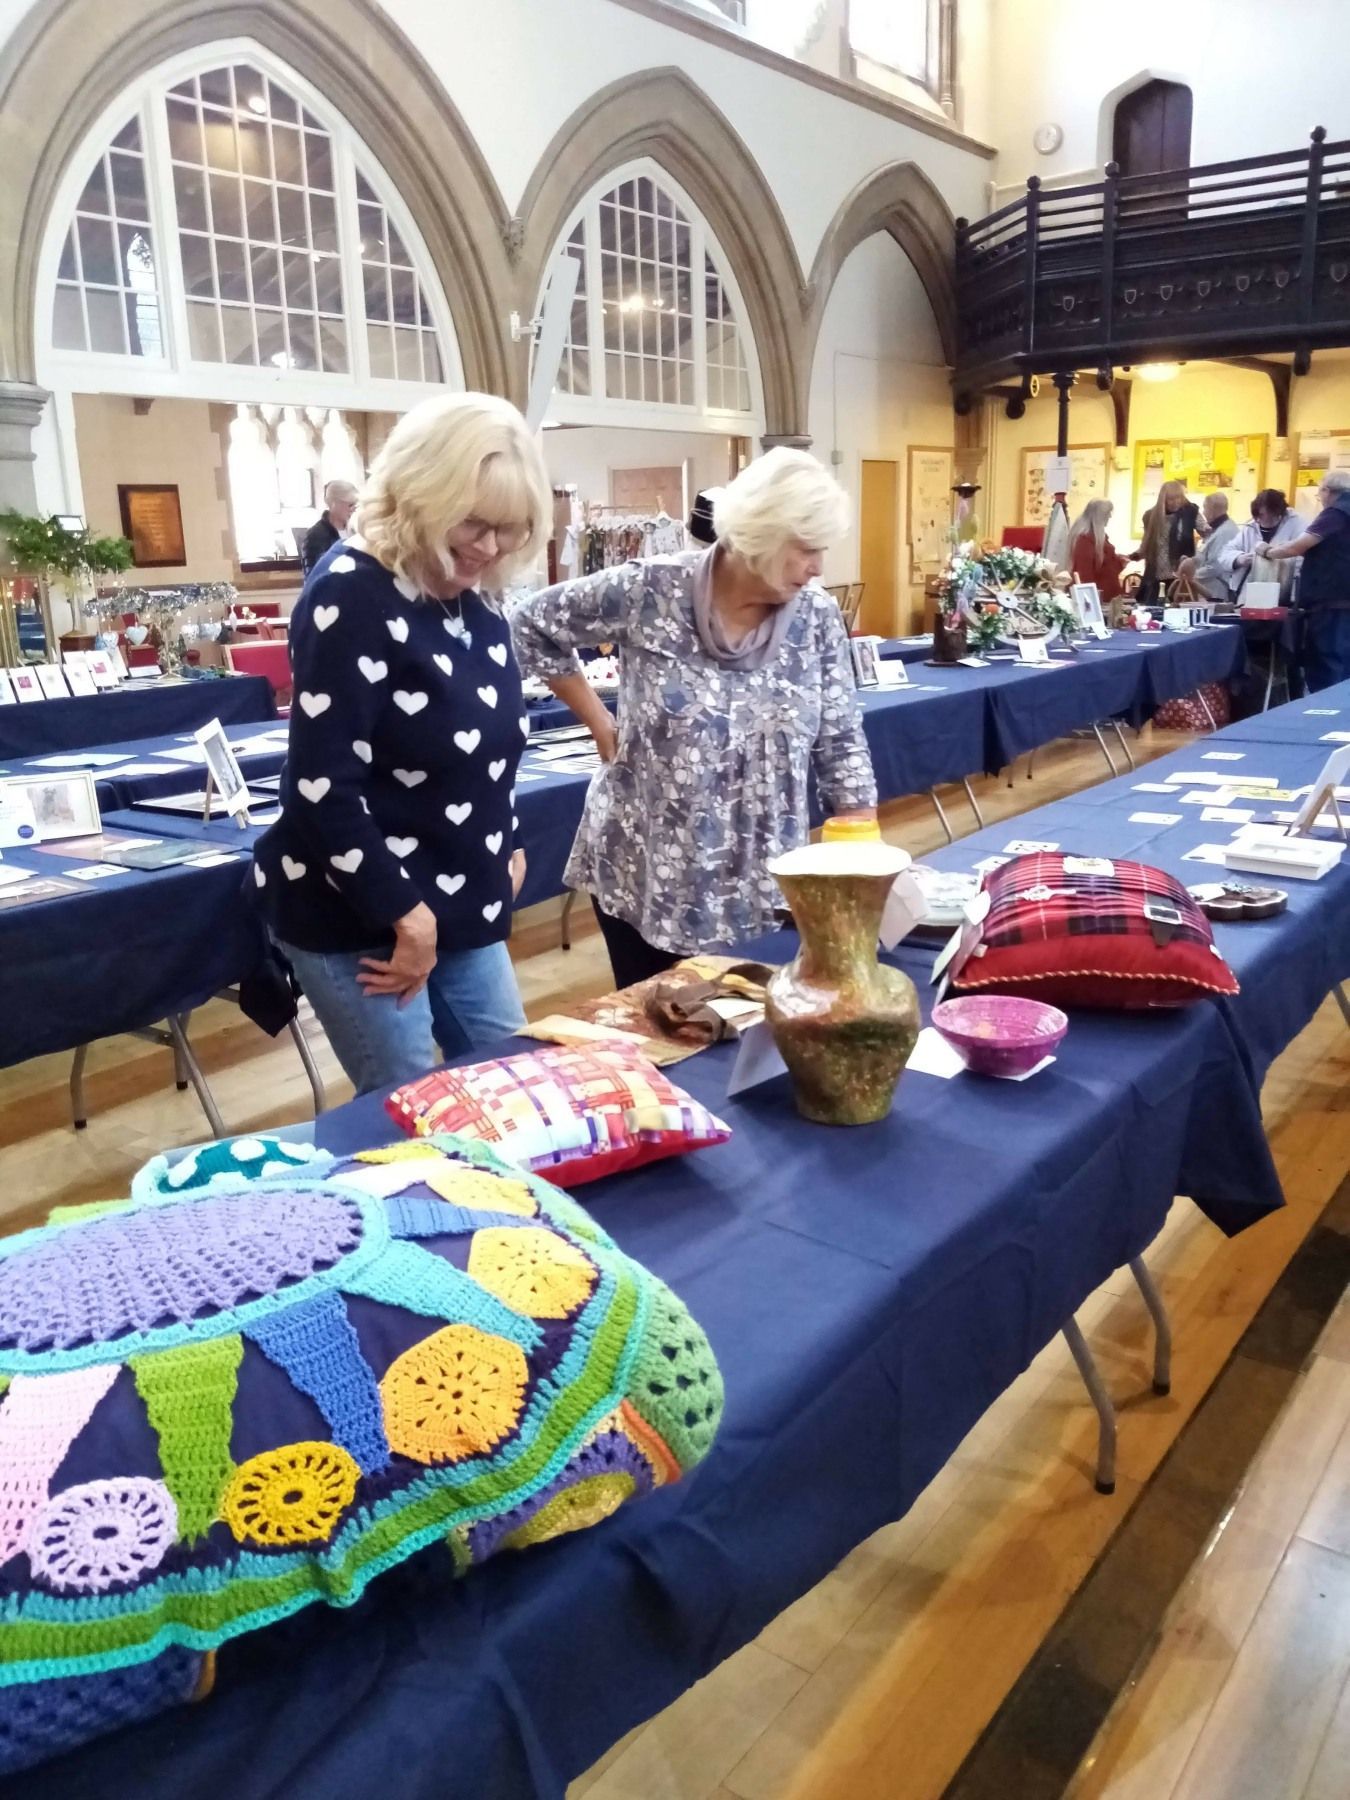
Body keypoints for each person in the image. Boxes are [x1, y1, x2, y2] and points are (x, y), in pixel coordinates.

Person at [251, 393, 551, 1094]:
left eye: (507, 529)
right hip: (359, 910)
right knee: (408, 1109)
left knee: (515, 1087)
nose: (487, 547)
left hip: (453, 900)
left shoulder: (472, 596)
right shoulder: (351, 594)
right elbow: (323, 787)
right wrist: (404, 916)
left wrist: (502, 841)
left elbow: (488, 746)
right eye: (473, 522)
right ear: (420, 493)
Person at [510, 448, 878, 989]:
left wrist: (862, 856)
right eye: (807, 550)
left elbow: (842, 738)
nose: (819, 568)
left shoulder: (816, 617)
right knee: (663, 1033)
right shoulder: (650, 591)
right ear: (761, 535)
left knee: (759, 1032)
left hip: (763, 877)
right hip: (649, 873)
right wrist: (598, 721)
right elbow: (531, 623)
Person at [1261, 469, 1350, 689]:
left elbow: (1298, 546)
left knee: (1327, 663)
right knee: (1345, 666)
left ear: (1328, 491)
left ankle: (1323, 718)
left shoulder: (1335, 514)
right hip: (1344, 600)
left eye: (1319, 493)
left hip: (1330, 603)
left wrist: (1267, 551)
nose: (1319, 499)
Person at [1219, 488, 1307, 601]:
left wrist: (1273, 560)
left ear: (1277, 511)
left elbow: (1302, 559)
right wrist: (1239, 559)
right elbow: (1225, 553)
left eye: (1262, 515)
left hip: (1284, 593)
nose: (1258, 520)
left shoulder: (1298, 525)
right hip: (1249, 594)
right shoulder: (1250, 527)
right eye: (1256, 515)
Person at [1176, 491, 1239, 602]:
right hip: (1207, 589)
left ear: (1213, 510)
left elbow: (1216, 566)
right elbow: (1206, 555)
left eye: (1205, 508)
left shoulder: (1226, 532)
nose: (1203, 513)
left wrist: (1191, 575)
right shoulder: (1216, 530)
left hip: (1217, 591)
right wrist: (1192, 561)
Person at [1136, 480, 1194, 601]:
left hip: (1178, 575)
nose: (1175, 502)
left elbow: (1205, 529)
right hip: (1155, 575)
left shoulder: (1189, 513)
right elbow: (1146, 543)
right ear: (1163, 499)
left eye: (1178, 498)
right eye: (1171, 499)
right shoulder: (1150, 515)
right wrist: (1134, 555)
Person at [1067, 498, 1125, 612]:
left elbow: (1105, 567)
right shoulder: (1085, 540)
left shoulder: (1098, 538)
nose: (1110, 517)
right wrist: (1090, 602)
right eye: (1108, 513)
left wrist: (1119, 562)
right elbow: (1084, 574)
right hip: (1098, 601)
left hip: (1106, 599)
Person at [301, 480, 359, 574]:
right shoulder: (316, 535)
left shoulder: (356, 531)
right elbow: (314, 575)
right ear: (333, 503)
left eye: (356, 505)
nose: (353, 509)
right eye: (350, 504)